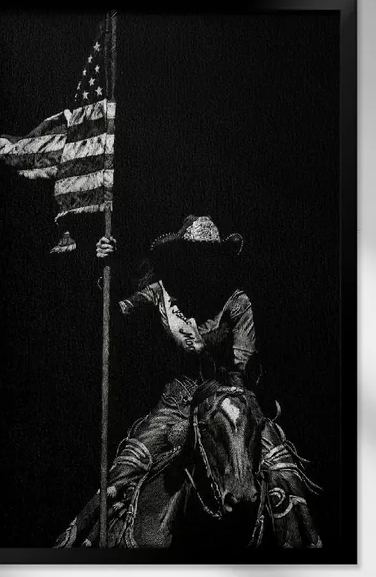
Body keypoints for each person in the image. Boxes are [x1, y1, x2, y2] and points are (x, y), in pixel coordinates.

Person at [55, 215, 321, 548]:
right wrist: (105, 268)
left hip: (231, 399)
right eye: (194, 255)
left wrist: (208, 359)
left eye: (209, 256)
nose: (202, 264)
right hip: (175, 404)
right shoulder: (160, 293)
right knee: (124, 471)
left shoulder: (237, 302)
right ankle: (81, 544)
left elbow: (241, 366)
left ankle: (304, 548)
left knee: (283, 471)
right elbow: (118, 311)